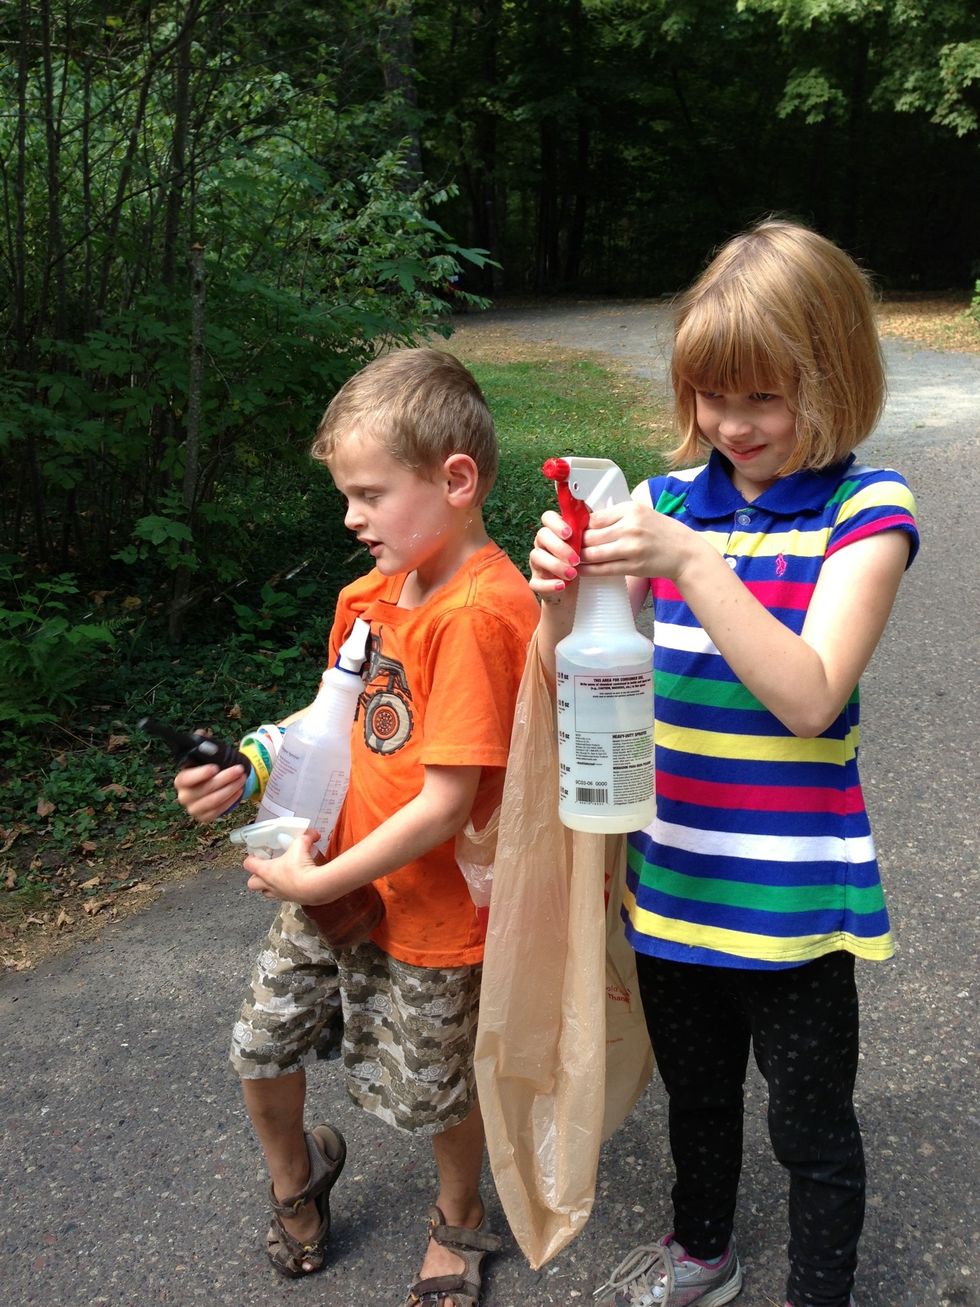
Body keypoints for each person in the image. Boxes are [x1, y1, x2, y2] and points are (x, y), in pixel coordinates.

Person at [528, 220, 919, 1307]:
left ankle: (818, 1288)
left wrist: (693, 565)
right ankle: (700, 1250)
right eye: (709, 396)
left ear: (832, 379)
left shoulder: (864, 512)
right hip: (671, 884)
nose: (727, 425)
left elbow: (807, 693)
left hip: (791, 903)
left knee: (808, 1124)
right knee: (694, 1103)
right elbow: (574, 674)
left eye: (761, 398)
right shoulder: (655, 506)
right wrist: (559, 591)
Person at [174, 347, 538, 1307]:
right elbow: (324, 720)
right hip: (331, 877)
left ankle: (459, 1219)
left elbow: (446, 803)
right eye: (348, 493)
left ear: (456, 480)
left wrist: (319, 883)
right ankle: (298, 1186)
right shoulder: (368, 598)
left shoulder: (480, 614)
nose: (351, 517)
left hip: (431, 915)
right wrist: (251, 761)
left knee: (431, 1092)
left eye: (370, 494)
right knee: (261, 1042)